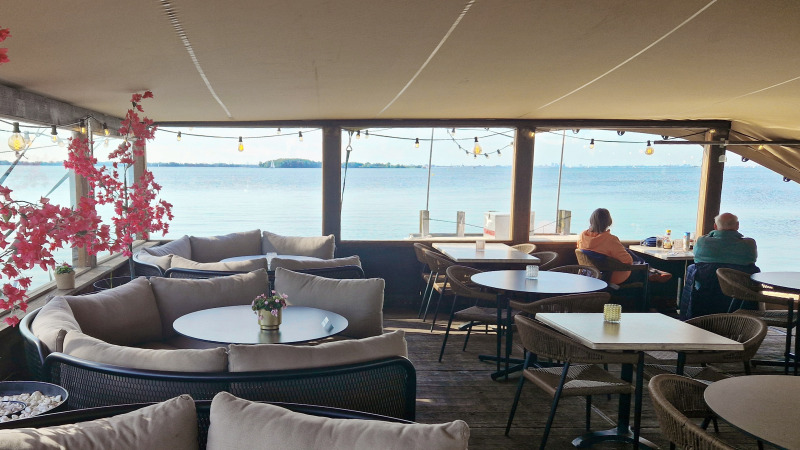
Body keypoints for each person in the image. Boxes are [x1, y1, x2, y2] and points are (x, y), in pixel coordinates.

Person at [577, 208, 633, 284]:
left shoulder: (582, 236)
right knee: (641, 269)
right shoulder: (611, 240)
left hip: (589, 276)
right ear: (609, 222)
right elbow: (628, 261)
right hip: (610, 278)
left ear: (591, 221)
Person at [693, 213, 758, 265]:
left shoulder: (702, 242)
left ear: (715, 226)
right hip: (739, 280)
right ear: (737, 225)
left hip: (707, 280)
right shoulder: (749, 244)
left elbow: (696, 256)